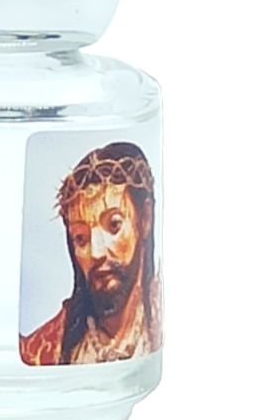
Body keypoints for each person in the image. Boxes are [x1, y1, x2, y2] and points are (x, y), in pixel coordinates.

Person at [20, 142, 162, 365]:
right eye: (81, 238)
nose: (96, 252)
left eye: (113, 226)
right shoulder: (45, 350)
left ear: (145, 219)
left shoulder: (165, 320)